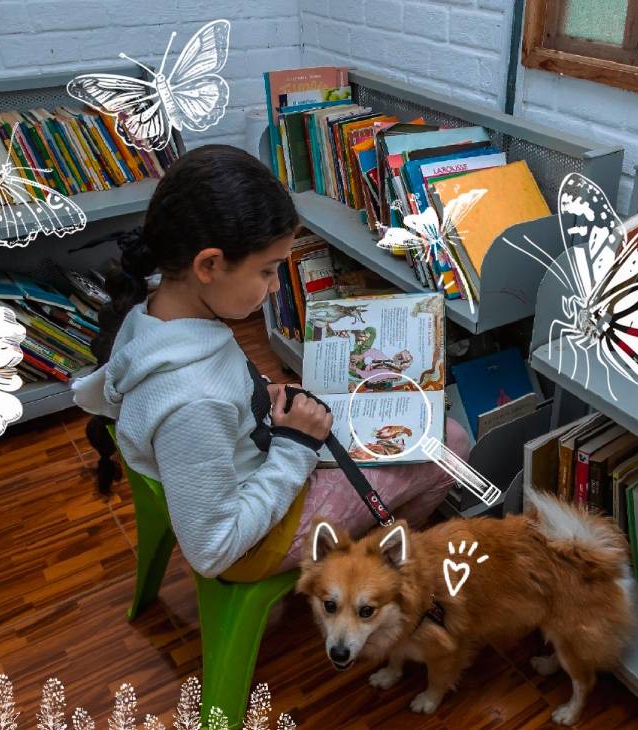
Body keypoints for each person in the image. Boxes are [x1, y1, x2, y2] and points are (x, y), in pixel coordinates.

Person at [74, 145, 470, 581]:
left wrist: (260, 396)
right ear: (209, 264)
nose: (276, 286)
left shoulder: (158, 312)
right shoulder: (192, 400)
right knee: (450, 445)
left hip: (259, 464)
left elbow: (221, 395)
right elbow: (213, 552)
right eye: (267, 271)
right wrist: (294, 447)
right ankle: (371, 575)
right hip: (257, 541)